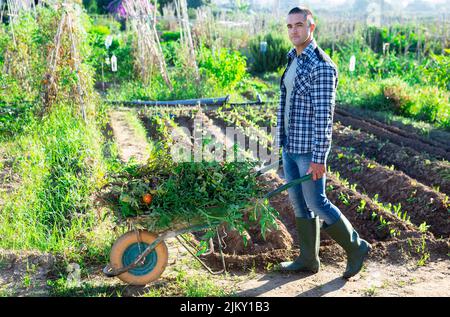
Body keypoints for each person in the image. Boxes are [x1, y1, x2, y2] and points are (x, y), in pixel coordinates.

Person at [276, 6, 371, 279]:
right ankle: (308, 259)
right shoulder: (293, 58)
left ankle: (356, 247)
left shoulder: (322, 66)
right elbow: (287, 105)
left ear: (311, 27)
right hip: (290, 146)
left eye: (299, 25)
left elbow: (324, 117)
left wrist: (320, 157)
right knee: (299, 204)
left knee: (316, 202)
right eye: (290, 26)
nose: (294, 30)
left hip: (308, 151)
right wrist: (279, 143)